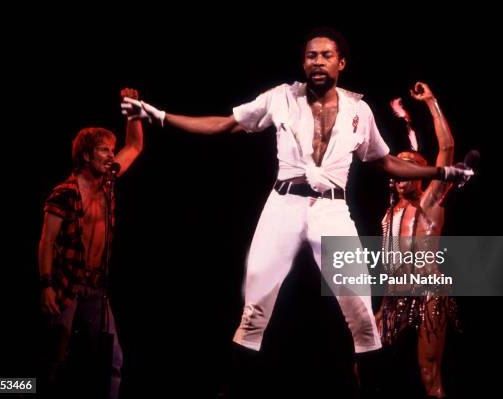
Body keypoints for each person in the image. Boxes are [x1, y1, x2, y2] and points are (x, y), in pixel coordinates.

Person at [121, 28, 470, 394]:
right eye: (311, 56)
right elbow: (224, 124)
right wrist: (158, 115)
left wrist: (440, 172)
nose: (317, 62)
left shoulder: (358, 111)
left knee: (364, 321)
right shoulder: (281, 98)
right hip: (283, 206)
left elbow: (385, 162)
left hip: (331, 210)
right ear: (304, 62)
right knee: (254, 315)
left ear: (341, 63)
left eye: (325, 55)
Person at [38, 88, 143, 398]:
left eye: (111, 150)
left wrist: (132, 110)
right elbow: (46, 242)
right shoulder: (64, 193)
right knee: (52, 359)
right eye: (104, 150)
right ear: (86, 155)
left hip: (97, 288)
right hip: (65, 285)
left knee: (113, 359)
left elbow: (135, 145)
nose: (111, 155)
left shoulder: (108, 182)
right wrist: (46, 286)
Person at [377, 82, 460, 398]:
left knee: (428, 374)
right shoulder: (389, 212)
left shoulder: (430, 201)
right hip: (393, 296)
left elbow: (447, 150)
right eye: (396, 169)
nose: (399, 174)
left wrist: (431, 102)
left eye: (408, 168)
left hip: (428, 293)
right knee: (364, 361)